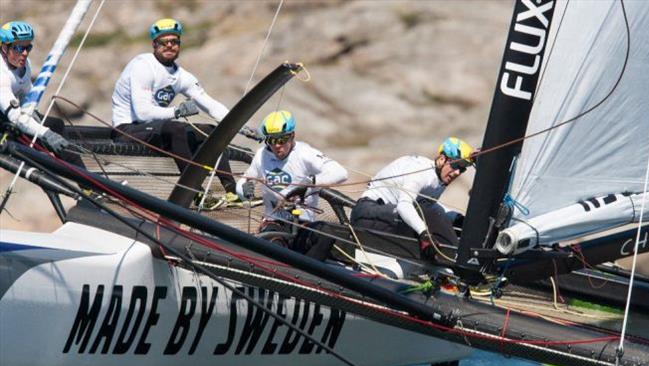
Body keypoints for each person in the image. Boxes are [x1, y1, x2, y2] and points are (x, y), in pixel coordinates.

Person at [111, 18, 240, 204]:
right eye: (164, 42)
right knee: (176, 128)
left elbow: (209, 104)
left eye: (174, 41)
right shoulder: (142, 66)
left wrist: (240, 126)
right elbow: (143, 113)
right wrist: (177, 112)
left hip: (156, 130)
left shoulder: (181, 76)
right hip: (127, 129)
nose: (170, 45)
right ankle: (195, 192)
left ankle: (232, 191)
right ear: (154, 44)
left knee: (211, 131)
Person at [237, 109, 347, 260]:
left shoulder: (305, 153)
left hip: (303, 226)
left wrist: (310, 184)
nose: (276, 146)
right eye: (271, 140)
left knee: (326, 233)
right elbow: (243, 182)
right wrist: (244, 190)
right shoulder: (261, 156)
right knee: (274, 246)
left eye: (281, 139)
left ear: (292, 136)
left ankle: (309, 278)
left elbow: (341, 173)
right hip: (275, 223)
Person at [349, 137, 474, 262]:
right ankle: (455, 262)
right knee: (426, 220)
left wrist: (456, 218)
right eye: (456, 165)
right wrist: (424, 234)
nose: (458, 172)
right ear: (442, 159)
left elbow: (429, 206)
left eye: (462, 169)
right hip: (366, 214)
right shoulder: (420, 172)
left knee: (437, 217)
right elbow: (404, 206)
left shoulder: (440, 179)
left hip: (387, 218)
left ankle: (456, 260)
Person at [0, 21, 72, 157]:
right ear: (4, 48)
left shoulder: (24, 64)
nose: (25, 53)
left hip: (9, 115)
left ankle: (79, 170)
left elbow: (27, 95)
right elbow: (16, 118)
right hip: (5, 121)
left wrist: (35, 115)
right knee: (40, 136)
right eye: (19, 48)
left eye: (28, 48)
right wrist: (46, 134)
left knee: (57, 125)